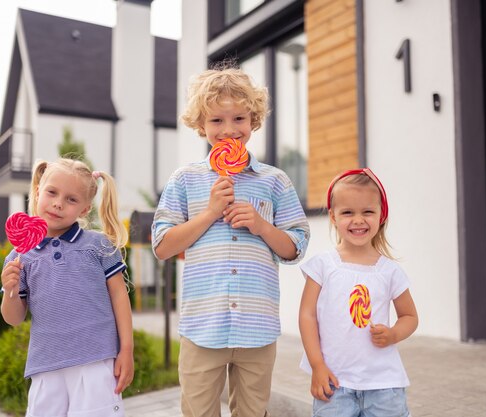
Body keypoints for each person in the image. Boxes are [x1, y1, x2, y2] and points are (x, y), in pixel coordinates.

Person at [152, 63, 310, 417]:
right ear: (200, 125)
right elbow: (162, 246)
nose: (229, 130)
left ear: (253, 120)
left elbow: (295, 247)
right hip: (202, 327)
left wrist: (262, 226)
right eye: (217, 121)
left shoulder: (275, 181)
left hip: (257, 328)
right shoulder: (185, 180)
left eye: (239, 118)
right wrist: (209, 213)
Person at [0, 158, 134, 417]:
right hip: (46, 366)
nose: (58, 203)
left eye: (71, 199)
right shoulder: (20, 257)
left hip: (96, 361)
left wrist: (126, 349)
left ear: (84, 209)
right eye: (52, 192)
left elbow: (119, 296)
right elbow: (14, 318)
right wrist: (10, 290)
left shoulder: (99, 246)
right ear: (38, 192)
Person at [298, 168, 418, 417]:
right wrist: (317, 365)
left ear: (381, 215)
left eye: (368, 212)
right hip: (334, 382)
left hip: (384, 385)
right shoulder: (322, 266)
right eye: (348, 212)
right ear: (333, 216)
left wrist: (394, 333)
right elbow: (307, 316)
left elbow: (410, 316)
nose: (358, 220)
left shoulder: (389, 271)